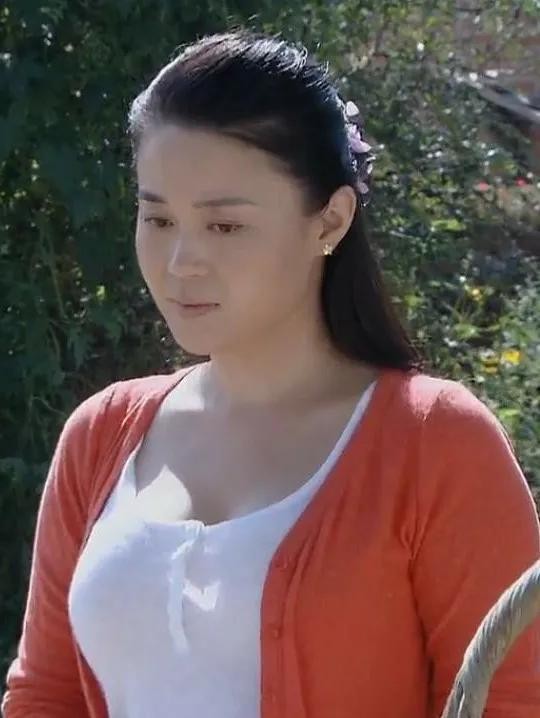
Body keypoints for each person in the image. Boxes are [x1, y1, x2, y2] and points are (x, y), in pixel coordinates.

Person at [3, 29, 540, 718]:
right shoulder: (100, 435)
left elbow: (512, 701)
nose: (180, 262)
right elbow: (44, 695)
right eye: (158, 219)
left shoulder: (436, 443)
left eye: (225, 227)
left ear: (330, 221)